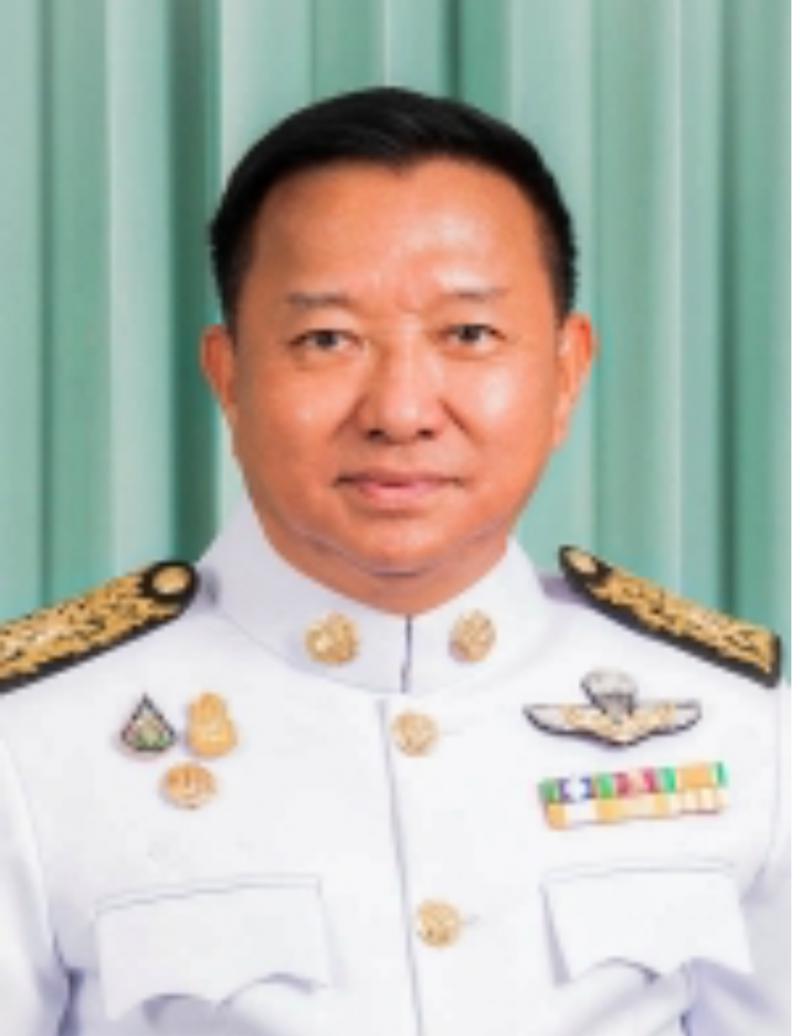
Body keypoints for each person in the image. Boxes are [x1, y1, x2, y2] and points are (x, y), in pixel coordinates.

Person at [0, 87, 788, 1036]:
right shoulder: (34, 741)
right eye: (327, 339)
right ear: (230, 376)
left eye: (469, 335)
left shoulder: (743, 726)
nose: (402, 411)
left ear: (567, 372)